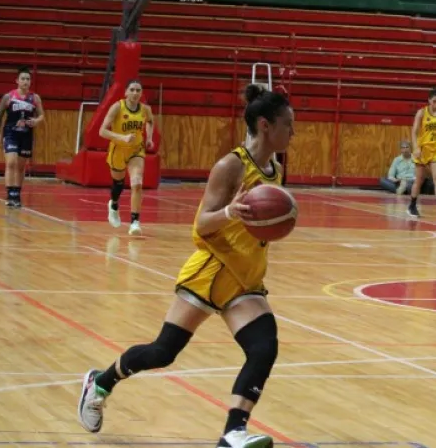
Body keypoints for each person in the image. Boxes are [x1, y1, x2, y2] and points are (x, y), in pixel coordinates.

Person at [77, 84, 294, 448]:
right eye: (288, 124)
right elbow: (201, 224)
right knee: (163, 352)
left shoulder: (275, 169)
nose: (293, 132)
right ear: (265, 125)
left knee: (264, 347)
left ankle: (233, 432)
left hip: (245, 279)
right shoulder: (231, 165)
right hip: (211, 272)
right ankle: (100, 383)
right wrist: (230, 212)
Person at [99, 80, 155, 236]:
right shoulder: (117, 107)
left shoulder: (145, 110)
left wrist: (149, 138)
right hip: (118, 150)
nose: (136, 93)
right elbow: (102, 131)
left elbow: (150, 121)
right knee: (118, 183)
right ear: (126, 92)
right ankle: (114, 205)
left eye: (138, 90)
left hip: (136, 150)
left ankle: (135, 222)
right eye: (132, 89)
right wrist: (121, 138)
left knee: (137, 183)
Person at [0, 66, 44, 208]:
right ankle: (10, 194)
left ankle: (17, 193)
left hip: (26, 134)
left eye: (28, 79)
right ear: (16, 80)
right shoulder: (9, 97)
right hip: (11, 133)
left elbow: (41, 115)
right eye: (22, 79)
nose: (25, 81)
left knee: (21, 166)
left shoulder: (34, 98)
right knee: (11, 162)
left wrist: (36, 121)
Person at [408, 87, 436, 220]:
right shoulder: (421, 113)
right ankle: (412, 205)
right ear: (429, 101)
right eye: (434, 101)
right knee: (419, 180)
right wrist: (416, 148)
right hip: (422, 150)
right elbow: (414, 132)